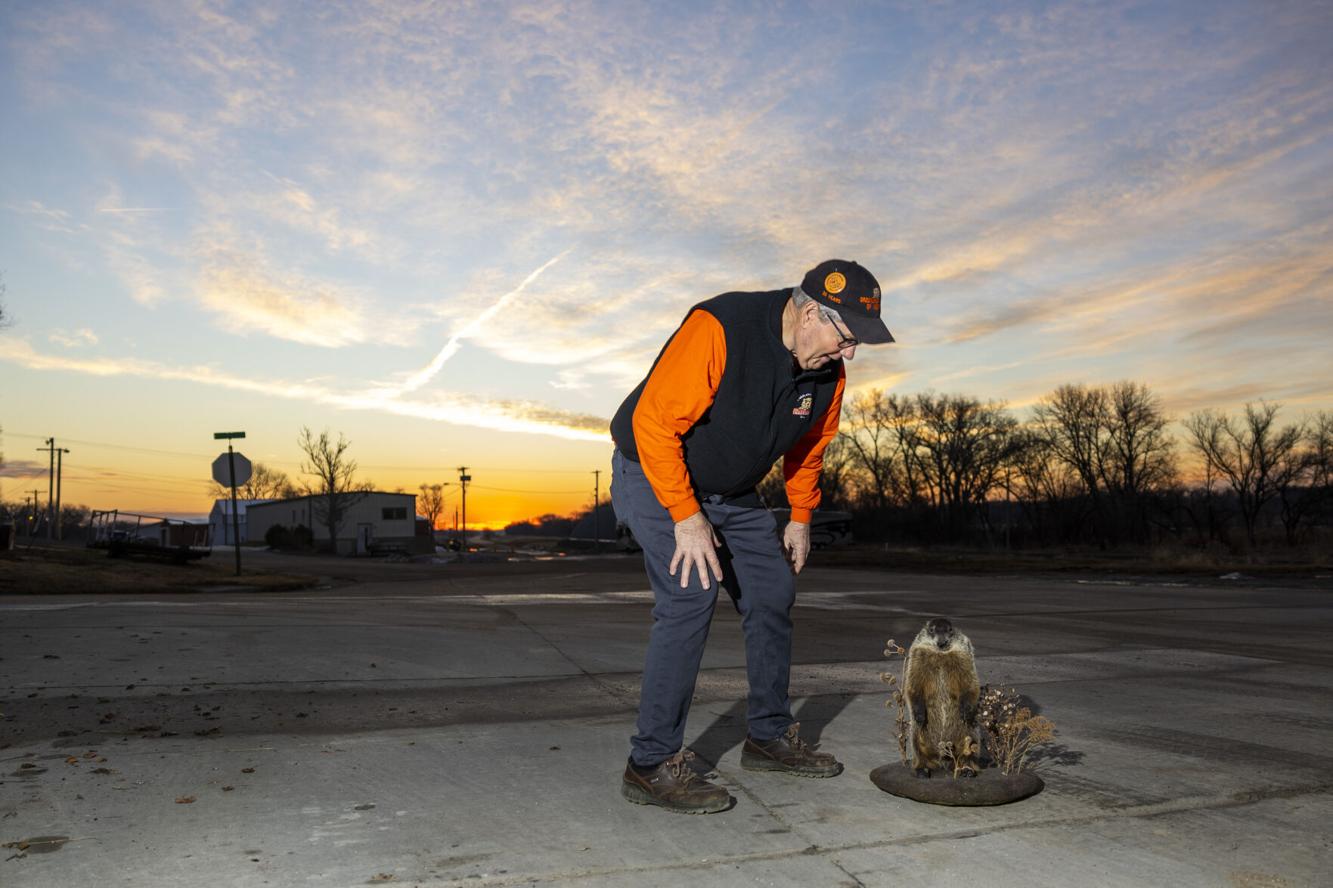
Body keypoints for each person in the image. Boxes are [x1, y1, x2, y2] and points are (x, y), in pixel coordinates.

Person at [609, 259, 895, 814]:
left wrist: (801, 517)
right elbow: (654, 424)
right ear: (811, 311)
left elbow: (809, 449)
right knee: (691, 595)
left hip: (732, 492)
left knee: (771, 592)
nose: (851, 353)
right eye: (848, 337)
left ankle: (767, 736)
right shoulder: (721, 326)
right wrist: (687, 518)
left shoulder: (826, 373)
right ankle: (649, 764)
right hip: (653, 471)